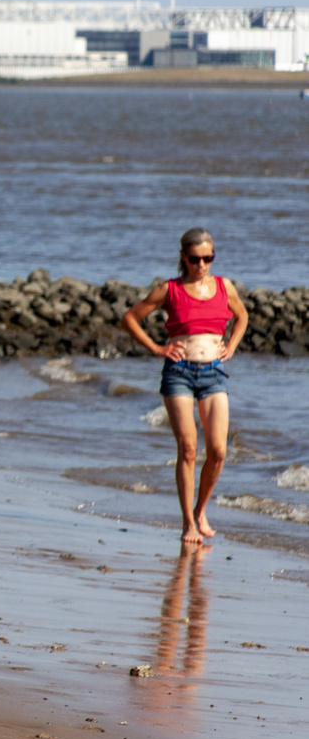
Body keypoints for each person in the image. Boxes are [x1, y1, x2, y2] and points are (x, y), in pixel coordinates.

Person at [123, 227, 249, 547]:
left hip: (214, 374)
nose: (202, 265)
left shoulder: (224, 287)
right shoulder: (169, 289)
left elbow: (242, 316)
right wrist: (157, 348)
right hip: (178, 372)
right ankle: (188, 522)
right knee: (189, 448)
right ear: (184, 258)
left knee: (219, 451)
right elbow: (131, 318)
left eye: (208, 258)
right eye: (195, 259)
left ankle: (201, 509)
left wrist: (231, 345)